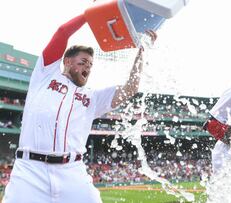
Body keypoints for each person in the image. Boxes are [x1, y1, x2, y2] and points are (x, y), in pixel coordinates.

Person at [3, 13, 156, 203]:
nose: (88, 68)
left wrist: (142, 51)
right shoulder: (45, 74)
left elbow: (130, 88)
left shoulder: (92, 97)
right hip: (29, 171)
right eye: (83, 62)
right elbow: (62, 32)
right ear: (66, 61)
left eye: (90, 65)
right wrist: (91, 14)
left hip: (72, 172)